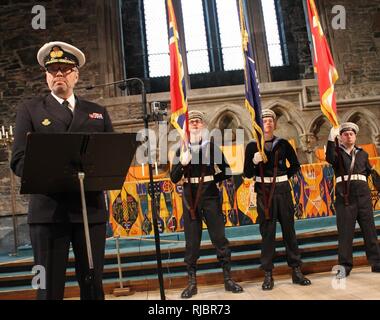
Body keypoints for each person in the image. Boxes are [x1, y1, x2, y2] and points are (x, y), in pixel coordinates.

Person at [10, 41, 114, 300]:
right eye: (53, 69)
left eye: (65, 69)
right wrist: (49, 173)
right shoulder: (31, 110)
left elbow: (112, 158)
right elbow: (19, 159)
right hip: (48, 212)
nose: (59, 74)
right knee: (47, 288)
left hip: (89, 212)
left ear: (76, 75)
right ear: (46, 76)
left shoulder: (97, 113)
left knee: (92, 285)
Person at [170, 110, 243, 298]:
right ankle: (192, 283)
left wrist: (212, 179)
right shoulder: (182, 149)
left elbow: (227, 171)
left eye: (198, 122)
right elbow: (173, 177)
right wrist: (181, 164)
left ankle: (228, 279)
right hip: (190, 199)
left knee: (219, 238)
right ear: (187, 127)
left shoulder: (211, 147)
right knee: (192, 242)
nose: (195, 124)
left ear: (202, 126)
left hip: (210, 196)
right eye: (192, 122)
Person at [243, 109, 311, 290]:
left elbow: (295, 165)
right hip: (264, 194)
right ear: (259, 124)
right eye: (264, 120)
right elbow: (247, 173)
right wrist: (254, 162)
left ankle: (296, 271)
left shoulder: (283, 144)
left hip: (283, 191)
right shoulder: (252, 147)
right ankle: (268, 274)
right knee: (267, 234)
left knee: (289, 231)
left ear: (275, 123)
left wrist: (282, 177)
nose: (268, 123)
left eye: (271, 120)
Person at [326, 122, 380, 277]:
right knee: (345, 233)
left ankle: (376, 263)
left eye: (351, 134)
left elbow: (369, 171)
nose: (348, 136)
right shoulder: (336, 152)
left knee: (370, 232)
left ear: (355, 136)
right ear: (340, 137)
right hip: (345, 197)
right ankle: (344, 266)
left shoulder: (362, 154)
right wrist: (331, 138)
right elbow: (329, 158)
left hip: (363, 196)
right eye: (345, 134)